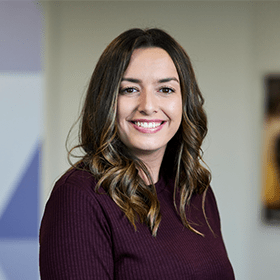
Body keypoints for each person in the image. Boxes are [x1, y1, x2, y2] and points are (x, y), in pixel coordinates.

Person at [39, 28, 235, 279]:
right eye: (129, 89)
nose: (148, 106)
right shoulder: (80, 197)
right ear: (106, 100)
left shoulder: (195, 190)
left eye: (165, 90)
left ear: (184, 102)